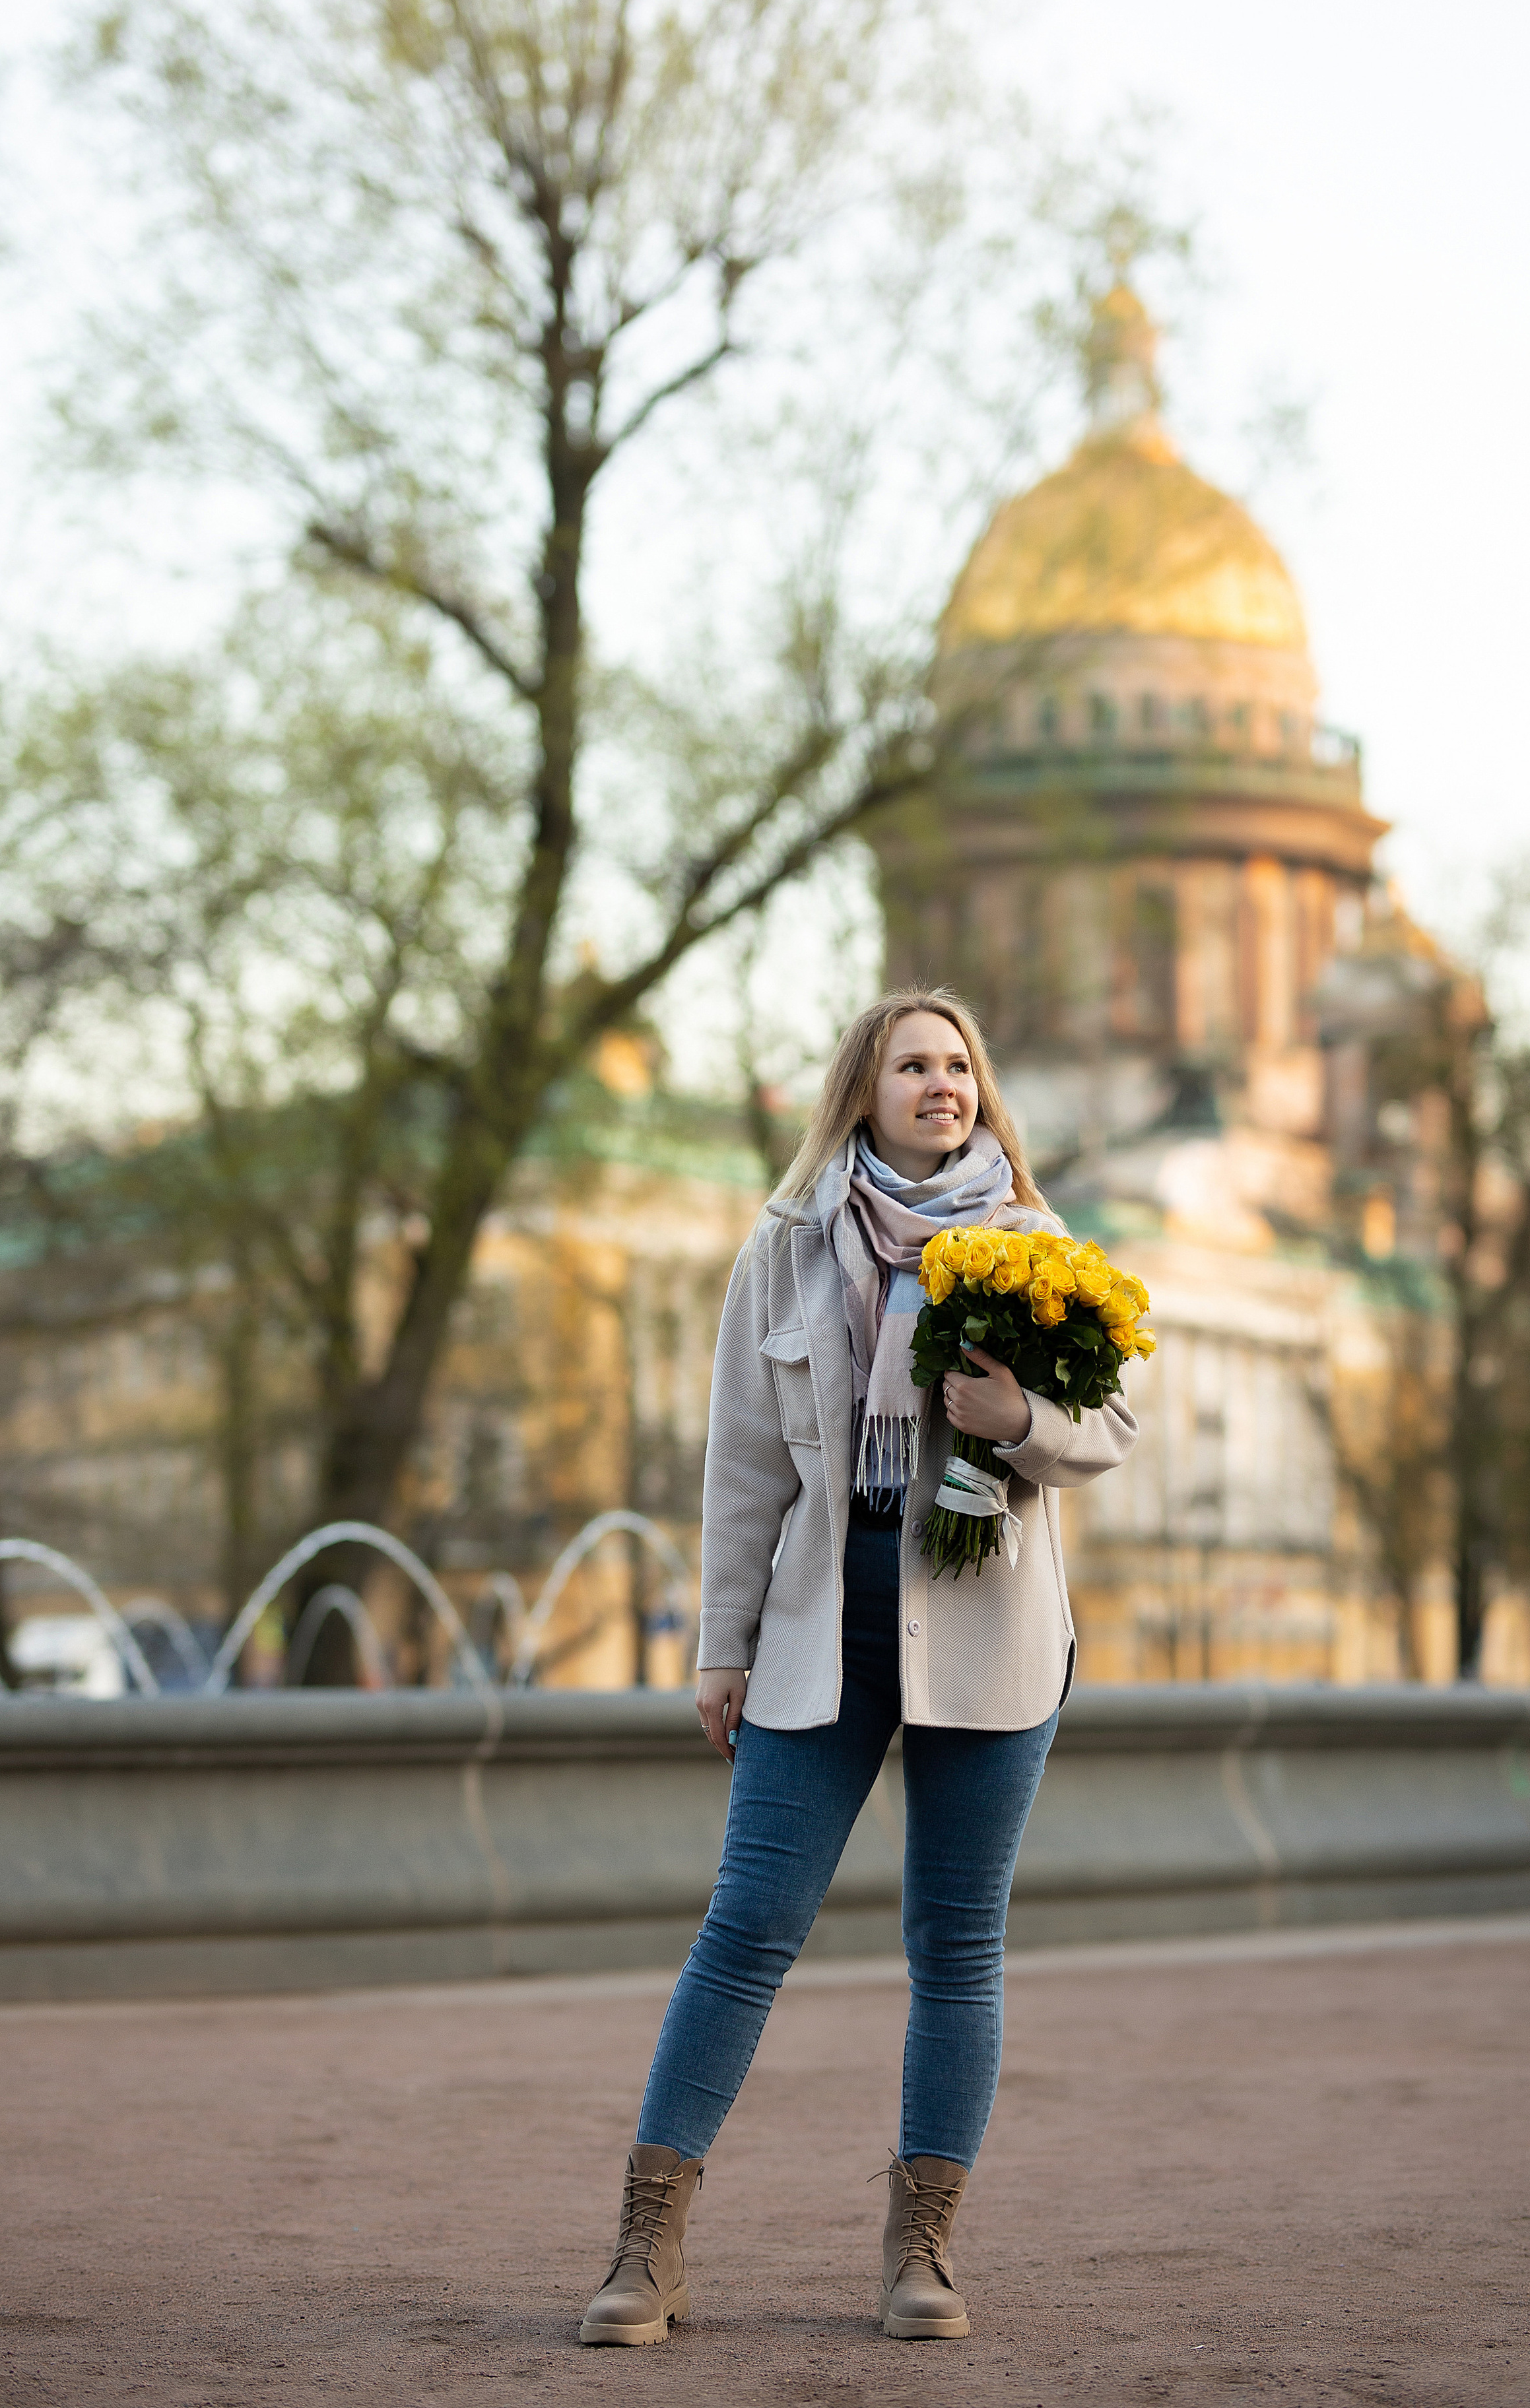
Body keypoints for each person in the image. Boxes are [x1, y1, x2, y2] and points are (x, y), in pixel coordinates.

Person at [579, 988, 1138, 2347]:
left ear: (977, 1092)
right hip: (821, 1622)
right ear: (865, 1088)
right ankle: (645, 2248)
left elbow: (1109, 1424)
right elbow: (742, 1465)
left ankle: (922, 2253)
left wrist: (1017, 1420)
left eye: (957, 1066)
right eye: (912, 1064)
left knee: (956, 1947)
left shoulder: (1038, 1243)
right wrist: (720, 1646)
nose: (939, 1083)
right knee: (745, 1928)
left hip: (990, 1621)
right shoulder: (784, 1249)